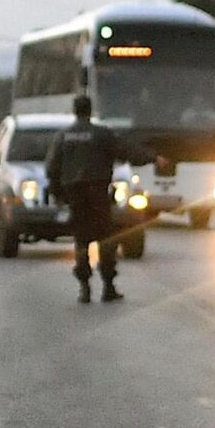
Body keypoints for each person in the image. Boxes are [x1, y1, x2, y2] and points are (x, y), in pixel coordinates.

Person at [42, 94, 145, 303]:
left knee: (81, 240)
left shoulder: (64, 136)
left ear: (75, 111)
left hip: (75, 195)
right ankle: (108, 286)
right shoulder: (102, 134)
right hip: (98, 194)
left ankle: (84, 288)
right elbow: (126, 151)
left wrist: (57, 194)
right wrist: (153, 157)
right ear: (90, 110)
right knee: (106, 239)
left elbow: (52, 167)